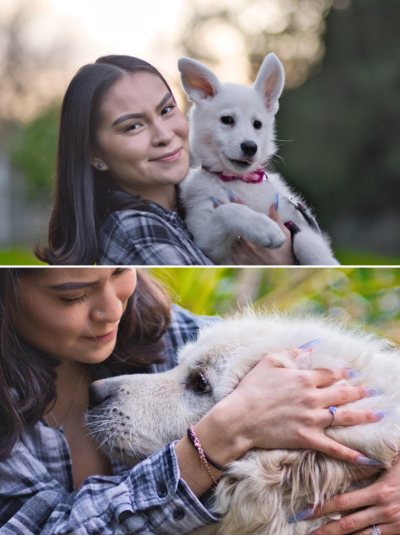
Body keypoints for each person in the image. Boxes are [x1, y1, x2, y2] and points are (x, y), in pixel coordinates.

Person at [0, 267, 388, 535]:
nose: (113, 309)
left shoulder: (169, 330)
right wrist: (220, 437)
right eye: (74, 295)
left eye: (119, 272)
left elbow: (366, 381)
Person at [35, 55, 294, 266]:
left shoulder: (195, 200)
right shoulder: (137, 232)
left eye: (167, 110)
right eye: (133, 126)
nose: (164, 135)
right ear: (95, 154)